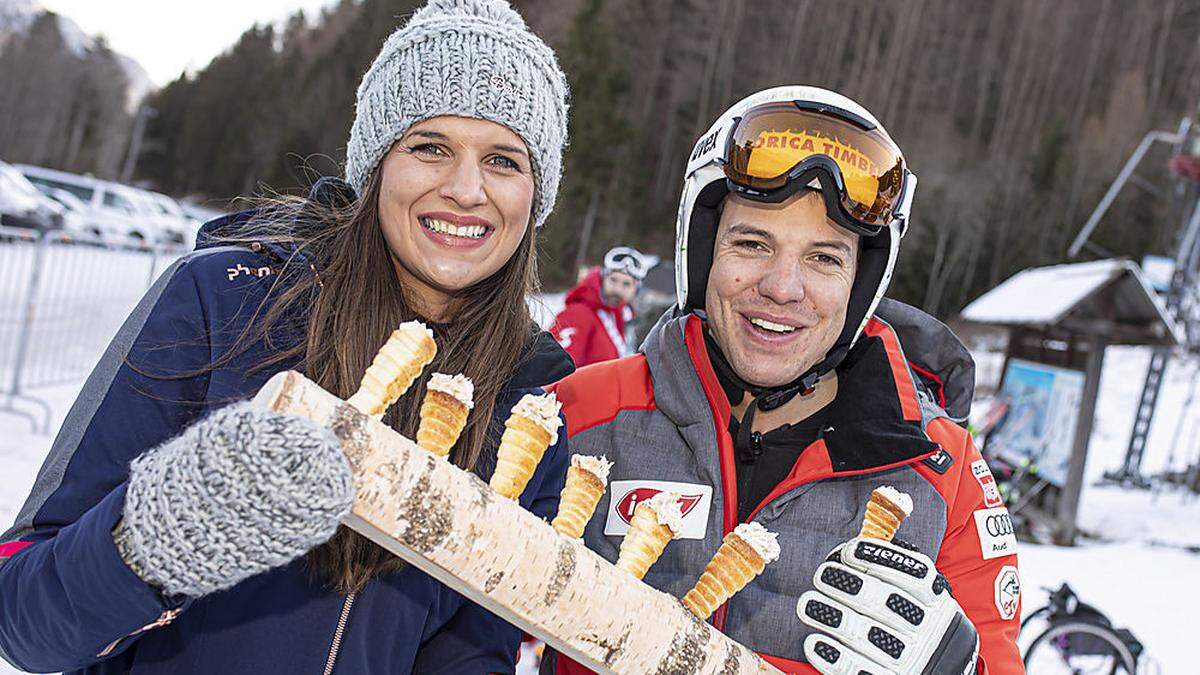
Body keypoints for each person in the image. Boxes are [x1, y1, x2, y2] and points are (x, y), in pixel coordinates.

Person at [0, 1, 572, 673]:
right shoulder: (223, 300)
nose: (466, 188)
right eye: (431, 147)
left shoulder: (530, 419)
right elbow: (24, 616)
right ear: (377, 165)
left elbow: (467, 654)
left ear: (536, 196)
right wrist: (152, 541)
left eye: (503, 160)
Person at [546, 86, 1022, 674]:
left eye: (825, 258)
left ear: (859, 285)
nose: (782, 287)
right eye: (752, 243)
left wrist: (960, 669)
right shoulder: (583, 417)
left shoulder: (941, 478)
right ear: (703, 257)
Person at [550, 245, 653, 367]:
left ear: (636, 289)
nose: (617, 290)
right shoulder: (578, 313)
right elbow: (554, 370)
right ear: (603, 278)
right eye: (613, 280)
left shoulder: (618, 316)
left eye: (626, 284)